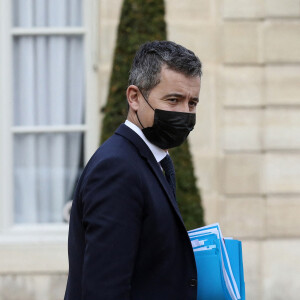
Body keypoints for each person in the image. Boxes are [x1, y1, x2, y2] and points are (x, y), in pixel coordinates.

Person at [64, 40, 202, 300]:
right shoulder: (116, 169)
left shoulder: (149, 161)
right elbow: (105, 290)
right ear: (135, 97)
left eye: (192, 103)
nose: (185, 112)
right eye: (173, 100)